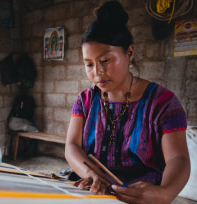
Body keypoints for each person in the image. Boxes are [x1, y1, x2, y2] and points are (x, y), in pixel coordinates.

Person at [65, 1, 190, 203]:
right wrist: (90, 173)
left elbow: (178, 159)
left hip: (141, 195)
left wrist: (165, 193)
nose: (97, 73)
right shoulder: (85, 100)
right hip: (94, 191)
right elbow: (71, 145)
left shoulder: (163, 103)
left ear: (129, 53)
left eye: (105, 60)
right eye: (89, 64)